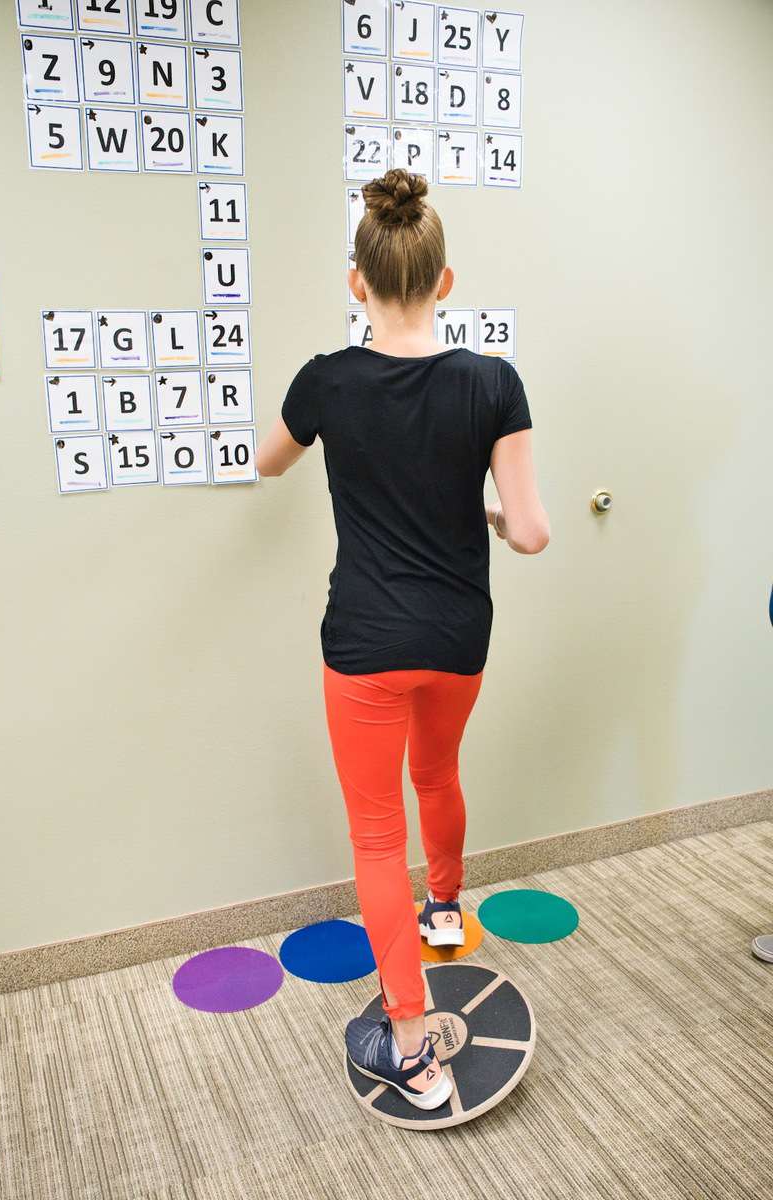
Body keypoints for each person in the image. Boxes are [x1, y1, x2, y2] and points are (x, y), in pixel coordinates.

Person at [255, 167, 550, 1110]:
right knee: (439, 778)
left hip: (365, 646)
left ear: (358, 283)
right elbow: (534, 529)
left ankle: (413, 1047)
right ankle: (446, 907)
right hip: (460, 636)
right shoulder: (492, 382)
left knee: (378, 837)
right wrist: (496, 519)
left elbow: (266, 463)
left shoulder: (328, 381)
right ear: (446, 281)